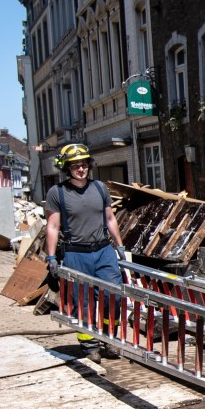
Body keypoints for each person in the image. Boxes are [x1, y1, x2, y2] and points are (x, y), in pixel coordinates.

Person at [44, 143, 127, 363]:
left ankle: (109, 339)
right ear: (67, 168)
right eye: (75, 166)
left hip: (103, 250)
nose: (81, 170)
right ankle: (89, 344)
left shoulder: (99, 188)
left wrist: (119, 247)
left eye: (84, 165)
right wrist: (51, 257)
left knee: (114, 295)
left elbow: (110, 219)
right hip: (75, 253)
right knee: (82, 301)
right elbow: (52, 226)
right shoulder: (57, 193)